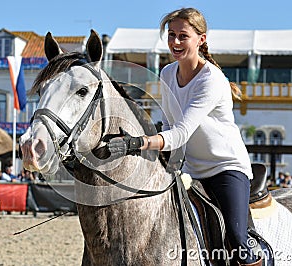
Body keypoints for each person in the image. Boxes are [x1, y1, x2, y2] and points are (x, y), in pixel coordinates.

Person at [108, 7, 260, 265]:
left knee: (236, 240)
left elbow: (180, 132)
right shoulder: (167, 73)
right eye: (171, 35)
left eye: (183, 36)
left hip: (225, 167)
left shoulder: (211, 80)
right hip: (189, 169)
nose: (175, 42)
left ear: (201, 39)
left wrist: (139, 143)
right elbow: (168, 123)